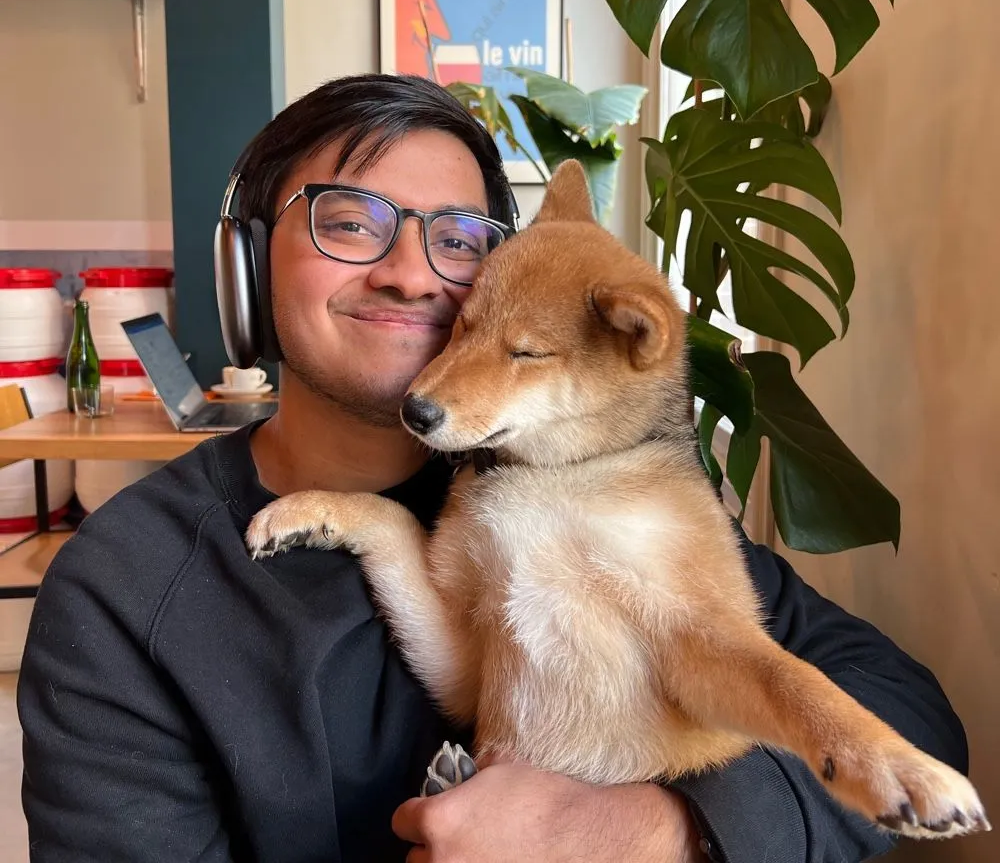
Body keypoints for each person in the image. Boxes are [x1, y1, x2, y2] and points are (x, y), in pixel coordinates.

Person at [18, 74, 969, 863]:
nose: (410, 273)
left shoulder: (582, 481)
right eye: (348, 222)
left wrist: (644, 833)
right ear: (247, 262)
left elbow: (906, 712)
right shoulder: (125, 588)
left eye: (458, 240)